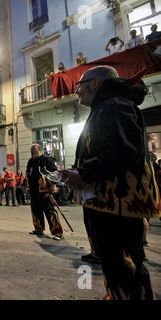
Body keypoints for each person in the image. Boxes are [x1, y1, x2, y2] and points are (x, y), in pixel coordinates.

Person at [60, 65, 160, 300]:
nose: (77, 91)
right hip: (110, 204)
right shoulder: (108, 106)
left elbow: (122, 150)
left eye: (80, 85)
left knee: (125, 268)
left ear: (94, 83)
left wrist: (84, 174)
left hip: (120, 206)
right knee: (115, 266)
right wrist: (78, 171)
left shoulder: (115, 106)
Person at [26, 144, 64, 240]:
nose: (31, 151)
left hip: (44, 191)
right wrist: (26, 187)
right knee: (35, 211)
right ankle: (39, 229)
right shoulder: (30, 161)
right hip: (33, 192)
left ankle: (57, 232)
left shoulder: (47, 160)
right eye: (31, 150)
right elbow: (27, 174)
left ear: (38, 150)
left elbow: (55, 173)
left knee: (49, 211)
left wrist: (53, 185)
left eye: (33, 149)